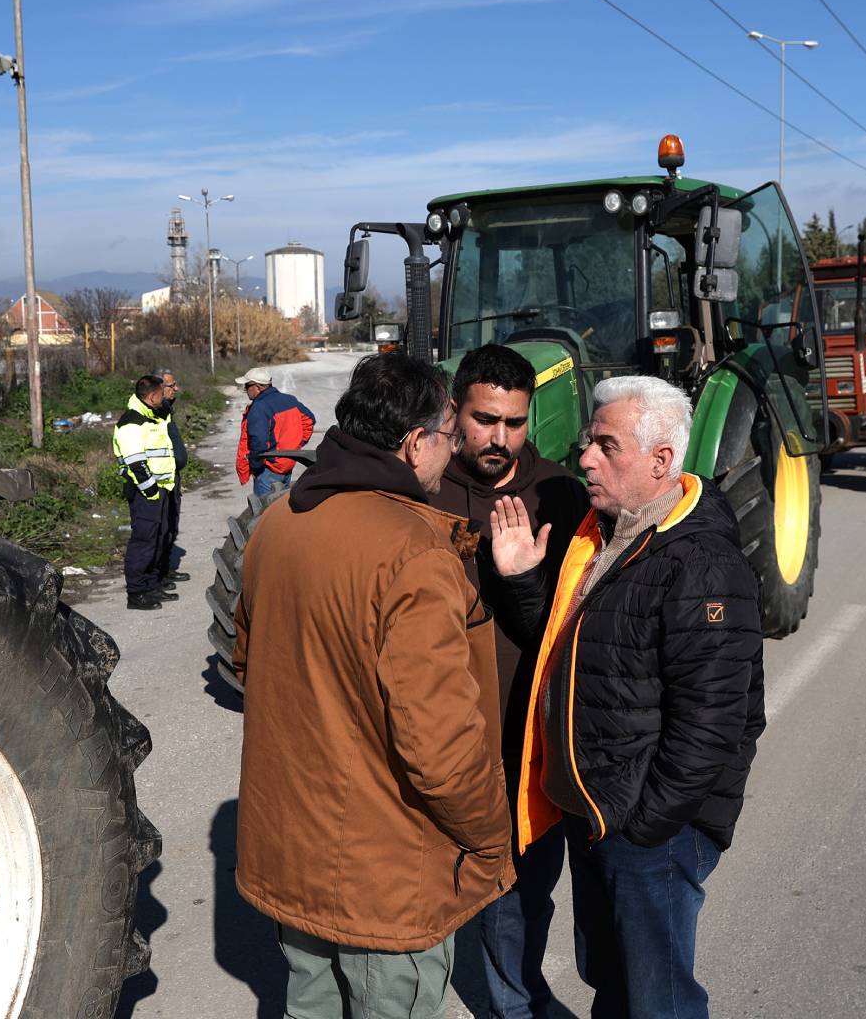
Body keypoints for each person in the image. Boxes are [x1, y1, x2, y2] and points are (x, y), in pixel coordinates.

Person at [233, 351, 511, 1019]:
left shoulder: (276, 525)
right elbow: (441, 750)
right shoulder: (415, 553)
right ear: (416, 443)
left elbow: (251, 667)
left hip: (292, 855)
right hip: (386, 877)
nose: (456, 451)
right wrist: (493, 835)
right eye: (449, 436)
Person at [491, 375, 764, 1019]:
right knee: (611, 979)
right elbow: (583, 654)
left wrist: (645, 827)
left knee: (657, 998)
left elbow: (715, 723)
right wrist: (526, 581)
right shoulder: (604, 534)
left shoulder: (700, 564)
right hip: (600, 811)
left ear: (661, 460)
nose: (585, 457)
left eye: (605, 445)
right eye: (589, 441)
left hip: (647, 828)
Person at [430, 344, 587, 1019]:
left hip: (525, 739)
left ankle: (516, 997)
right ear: (455, 409)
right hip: (437, 735)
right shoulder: (422, 492)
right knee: (433, 887)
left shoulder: (559, 493)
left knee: (523, 893)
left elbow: (568, 629)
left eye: (514, 423)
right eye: (484, 419)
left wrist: (521, 576)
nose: (499, 439)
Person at [112, 373, 187, 610]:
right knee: (144, 541)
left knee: (159, 537)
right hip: (147, 493)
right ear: (152, 395)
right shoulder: (132, 422)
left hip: (161, 489)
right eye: (161, 393)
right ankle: (137, 592)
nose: (164, 396)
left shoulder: (151, 417)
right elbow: (135, 462)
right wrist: (152, 490)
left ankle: (152, 585)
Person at [235, 366, 316, 499]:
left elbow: (259, 443)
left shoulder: (259, 408)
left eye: (247, 385)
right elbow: (309, 420)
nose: (245, 389)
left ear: (258, 387)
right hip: (288, 463)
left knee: (264, 514)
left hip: (268, 470)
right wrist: (296, 445)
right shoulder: (289, 400)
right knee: (281, 508)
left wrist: (256, 467)